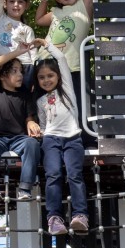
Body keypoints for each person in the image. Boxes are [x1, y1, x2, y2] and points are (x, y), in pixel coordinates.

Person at [35, 0, 94, 146]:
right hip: (45, 62)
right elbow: (39, 19)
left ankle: (83, 140)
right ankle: (43, 138)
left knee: (75, 102)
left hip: (71, 66)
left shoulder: (83, 7)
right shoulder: (56, 12)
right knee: (44, 104)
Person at [33, 44, 89, 236]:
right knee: (53, 174)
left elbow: (63, 60)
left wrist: (46, 44)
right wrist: (38, 131)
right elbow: (43, 123)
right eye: (42, 77)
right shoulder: (41, 101)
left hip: (72, 138)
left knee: (74, 174)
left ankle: (80, 215)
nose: (46, 80)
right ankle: (54, 217)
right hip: (50, 140)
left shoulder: (66, 90)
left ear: (58, 76)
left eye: (50, 75)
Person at [0, 46, 42, 203]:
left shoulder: (25, 94)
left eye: (21, 71)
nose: (20, 75)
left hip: (18, 139)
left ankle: (25, 188)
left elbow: (29, 117)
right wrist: (20, 51)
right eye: (14, 71)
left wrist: (31, 123)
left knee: (32, 144)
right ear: (2, 76)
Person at [0, 0, 44, 89]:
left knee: (22, 102)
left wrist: (34, 79)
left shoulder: (27, 29)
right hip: (0, 66)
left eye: (20, 2)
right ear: (5, 4)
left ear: (26, 6)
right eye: (11, 1)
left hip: (24, 68)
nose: (16, 5)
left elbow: (33, 55)